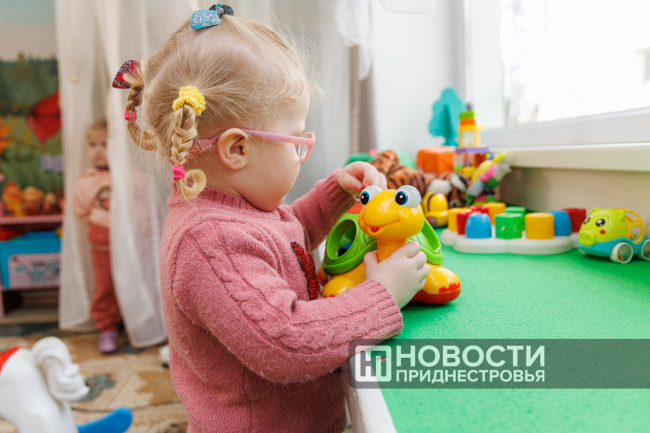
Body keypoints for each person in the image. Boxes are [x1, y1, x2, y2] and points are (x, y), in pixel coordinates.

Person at [116, 5, 427, 432]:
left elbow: (284, 240)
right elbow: (288, 341)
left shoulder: (234, 210)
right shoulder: (210, 241)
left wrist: (336, 191)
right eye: (296, 140)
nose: (302, 152)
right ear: (237, 149)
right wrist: (383, 292)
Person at [72, 119, 120, 354]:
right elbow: (81, 210)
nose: (98, 150)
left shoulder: (129, 177)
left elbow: (142, 207)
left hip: (129, 245)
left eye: (105, 144)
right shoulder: (87, 180)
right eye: (93, 145)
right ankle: (106, 327)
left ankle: (132, 320)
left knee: (132, 283)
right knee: (105, 286)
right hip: (102, 243)